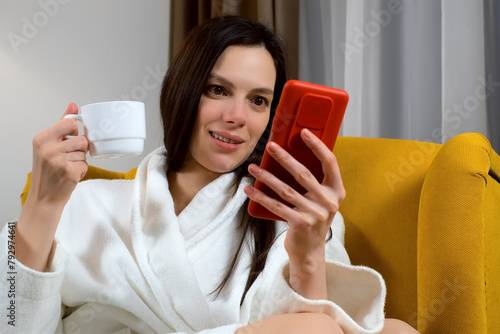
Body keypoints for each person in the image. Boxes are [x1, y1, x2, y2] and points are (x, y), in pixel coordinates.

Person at [1, 16, 419, 334]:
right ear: (183, 88)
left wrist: (308, 254)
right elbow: (12, 322)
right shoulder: (88, 201)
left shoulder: (301, 217)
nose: (237, 117)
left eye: (258, 100)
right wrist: (43, 200)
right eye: (217, 90)